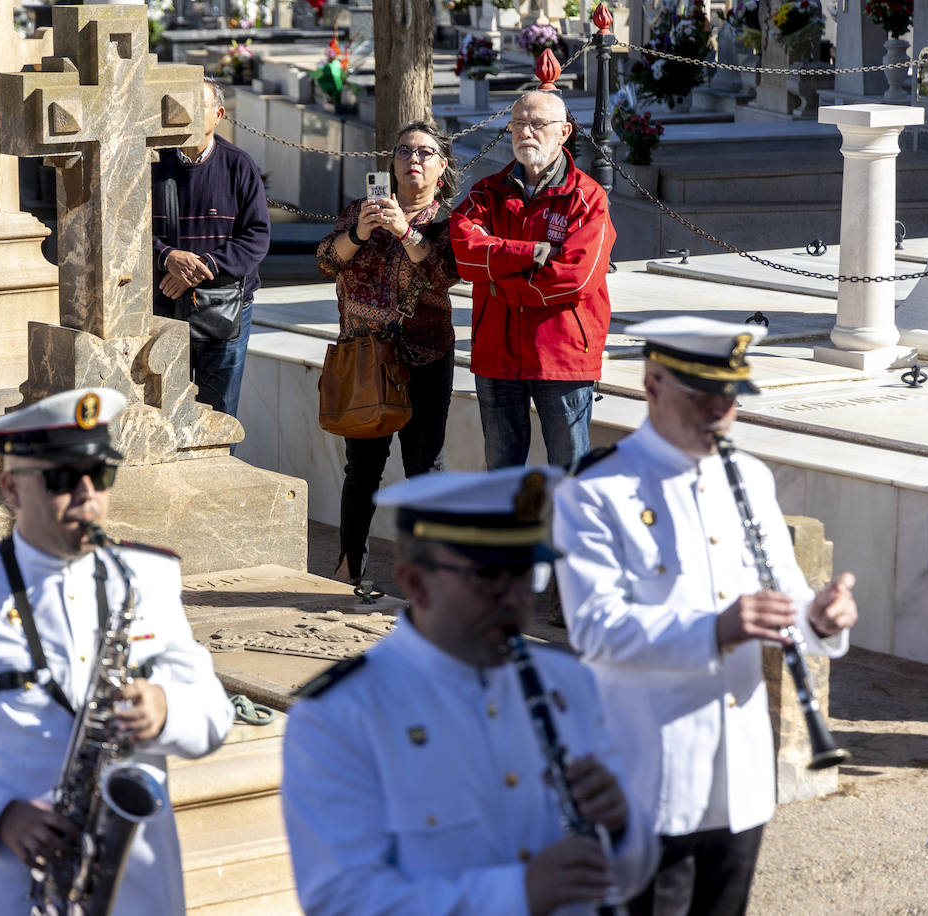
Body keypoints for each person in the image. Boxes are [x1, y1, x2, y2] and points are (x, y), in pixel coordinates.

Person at [0, 387, 234, 916]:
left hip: (140, 889)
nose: (89, 497)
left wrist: (164, 710)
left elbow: (214, 715)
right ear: (12, 490)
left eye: (101, 476)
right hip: (22, 886)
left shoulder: (149, 576)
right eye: (64, 480)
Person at [553, 316, 859, 915]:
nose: (721, 411)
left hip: (740, 780)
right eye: (703, 396)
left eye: (731, 396)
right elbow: (595, 630)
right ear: (652, 386)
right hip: (649, 781)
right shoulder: (596, 491)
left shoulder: (748, 476)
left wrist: (819, 619)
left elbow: (784, 598)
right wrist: (714, 629)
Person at [282, 467, 657, 915]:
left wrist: (620, 827)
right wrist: (518, 894)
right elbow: (343, 902)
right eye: (488, 578)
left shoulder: (569, 682)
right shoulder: (339, 715)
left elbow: (630, 874)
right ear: (416, 583)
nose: (515, 599)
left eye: (526, 576)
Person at [317, 120, 461, 585]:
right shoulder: (362, 210)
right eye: (403, 151)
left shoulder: (448, 221)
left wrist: (406, 232)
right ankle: (348, 563)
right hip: (364, 359)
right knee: (362, 470)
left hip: (423, 357)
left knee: (425, 469)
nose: (412, 160)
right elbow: (325, 261)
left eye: (424, 153)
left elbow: (444, 274)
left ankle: (430, 572)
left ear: (442, 167)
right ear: (392, 164)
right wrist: (358, 233)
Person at [451, 89, 615, 472]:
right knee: (502, 475)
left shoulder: (586, 197)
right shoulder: (486, 192)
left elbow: (576, 279)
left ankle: (569, 536)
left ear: (564, 132)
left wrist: (498, 282)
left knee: (569, 472)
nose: (526, 132)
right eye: (518, 124)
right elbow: (463, 252)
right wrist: (531, 254)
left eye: (538, 124)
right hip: (497, 352)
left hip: (562, 355)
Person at [151, 77, 270, 418]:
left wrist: (199, 268)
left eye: (196, 105)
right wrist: (167, 256)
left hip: (224, 307)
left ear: (217, 114)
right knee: (161, 410)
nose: (185, 113)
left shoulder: (238, 165)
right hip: (163, 303)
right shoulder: (152, 162)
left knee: (217, 414)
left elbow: (256, 237)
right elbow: (128, 230)